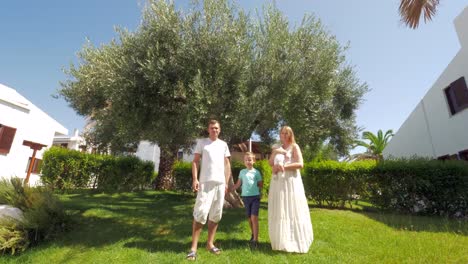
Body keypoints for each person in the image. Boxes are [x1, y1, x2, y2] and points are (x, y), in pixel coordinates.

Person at [186, 120, 231, 261]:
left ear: (220, 130)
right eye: (212, 128)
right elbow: (195, 161)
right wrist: (195, 179)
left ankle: (210, 244)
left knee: (216, 215)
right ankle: (193, 248)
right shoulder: (202, 143)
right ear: (208, 129)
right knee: (200, 213)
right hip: (205, 183)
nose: (214, 130)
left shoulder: (223, 145)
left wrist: (226, 182)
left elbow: (227, 164)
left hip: (220, 184)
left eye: (217, 128)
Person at [268, 126, 313, 253]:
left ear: (290, 134)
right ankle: (280, 241)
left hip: (291, 182)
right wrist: (275, 158)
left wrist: (284, 166)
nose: (284, 135)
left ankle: (295, 241)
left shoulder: (294, 146)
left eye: (286, 133)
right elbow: (270, 163)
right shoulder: (277, 147)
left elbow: (300, 164)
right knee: (280, 208)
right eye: (282, 133)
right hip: (278, 183)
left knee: (291, 208)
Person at [230, 152, 263, 249]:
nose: (248, 161)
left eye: (250, 160)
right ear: (244, 162)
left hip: (255, 197)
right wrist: (231, 189)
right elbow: (238, 184)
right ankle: (253, 234)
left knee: (254, 218)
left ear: (254, 161)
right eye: (246, 160)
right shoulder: (242, 172)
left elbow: (260, 184)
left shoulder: (256, 172)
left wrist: (256, 189)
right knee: (249, 218)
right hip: (245, 198)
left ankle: (256, 240)